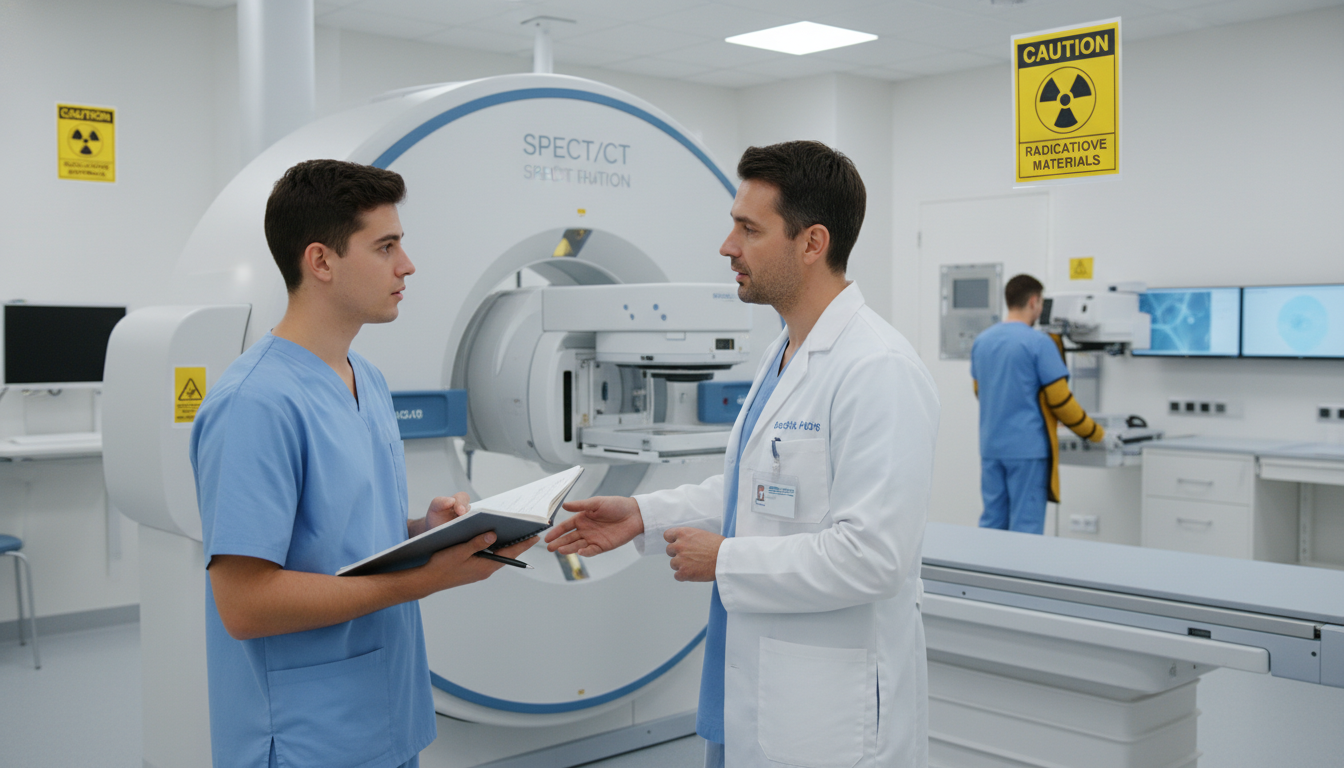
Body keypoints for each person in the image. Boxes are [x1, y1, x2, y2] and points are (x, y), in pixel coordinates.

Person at [546, 141, 940, 768]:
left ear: (812, 243)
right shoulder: (783, 353)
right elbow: (757, 491)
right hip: (756, 689)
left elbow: (875, 559)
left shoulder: (878, 370)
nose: (728, 247)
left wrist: (727, 560)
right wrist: (642, 516)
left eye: (748, 229)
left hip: (827, 716)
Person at [190, 159, 536, 768]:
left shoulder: (365, 379)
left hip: (385, 712)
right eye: (386, 246)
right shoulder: (254, 404)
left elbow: (334, 539)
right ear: (321, 261)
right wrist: (427, 578)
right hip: (304, 734)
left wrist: (424, 534)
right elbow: (245, 605)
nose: (407, 264)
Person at [970, 273, 1116, 534]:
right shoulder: (1039, 343)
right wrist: (1098, 435)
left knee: (992, 525)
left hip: (992, 448)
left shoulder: (982, 341)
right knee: (1025, 529)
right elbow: (1062, 402)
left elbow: (980, 391)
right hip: (1028, 451)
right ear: (1035, 302)